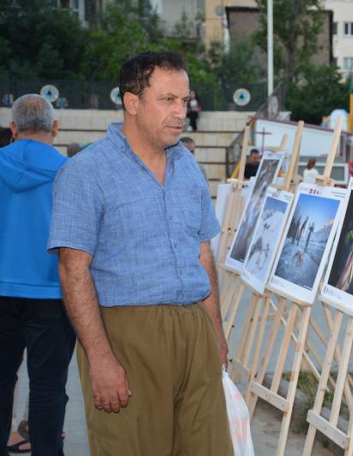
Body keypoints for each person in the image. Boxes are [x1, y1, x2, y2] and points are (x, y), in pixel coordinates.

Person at [48, 51, 232, 455]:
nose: (180, 111)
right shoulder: (85, 172)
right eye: (168, 99)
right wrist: (100, 358)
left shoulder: (189, 168)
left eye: (184, 100)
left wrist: (214, 330)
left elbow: (203, 253)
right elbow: (72, 269)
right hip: (128, 336)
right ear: (132, 102)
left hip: (195, 332)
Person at [0, 94, 76, 456]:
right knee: (48, 387)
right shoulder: (69, 172)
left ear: (13, 129)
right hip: (52, 294)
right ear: (55, 129)